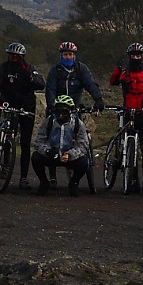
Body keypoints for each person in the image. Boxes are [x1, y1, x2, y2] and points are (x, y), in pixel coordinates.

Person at [44, 40, 104, 187]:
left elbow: (90, 84)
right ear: (61, 56)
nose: (68, 57)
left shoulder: (81, 69)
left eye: (70, 54)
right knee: (51, 135)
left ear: (74, 56)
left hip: (74, 107)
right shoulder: (55, 71)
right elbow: (50, 89)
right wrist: (52, 106)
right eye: (65, 54)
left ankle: (80, 161)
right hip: (56, 108)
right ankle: (52, 174)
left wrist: (98, 99)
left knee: (81, 133)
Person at [0, 42, 46, 189]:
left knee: (25, 144)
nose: (14, 59)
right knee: (7, 138)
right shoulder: (3, 68)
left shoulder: (28, 68)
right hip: (8, 105)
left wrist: (31, 79)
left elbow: (41, 83)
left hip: (26, 107)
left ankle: (23, 178)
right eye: (11, 56)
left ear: (22, 57)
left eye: (17, 57)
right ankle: (4, 167)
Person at [109, 42, 143, 194]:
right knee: (129, 146)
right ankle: (133, 179)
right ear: (129, 57)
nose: (136, 58)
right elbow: (113, 82)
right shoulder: (124, 73)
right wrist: (118, 68)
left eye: (138, 55)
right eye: (133, 56)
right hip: (128, 111)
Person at [31, 95, 92, 196]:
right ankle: (44, 182)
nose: (60, 115)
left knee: (84, 161)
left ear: (70, 111)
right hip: (51, 155)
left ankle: (74, 183)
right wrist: (48, 151)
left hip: (69, 157)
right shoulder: (49, 122)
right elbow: (38, 141)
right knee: (35, 157)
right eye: (58, 112)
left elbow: (83, 145)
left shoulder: (78, 124)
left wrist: (70, 154)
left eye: (64, 112)